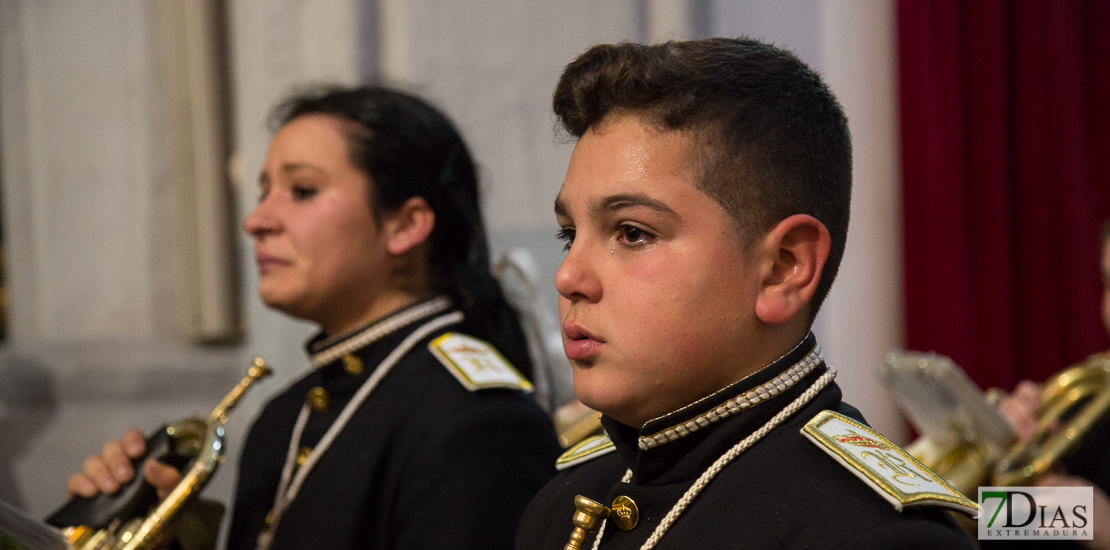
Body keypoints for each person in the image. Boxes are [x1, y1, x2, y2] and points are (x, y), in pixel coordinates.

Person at [515, 38, 978, 549]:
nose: (568, 277)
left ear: (784, 269)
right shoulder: (563, 500)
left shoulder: (875, 537)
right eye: (568, 234)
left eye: (632, 233)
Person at [65, 86, 561, 550]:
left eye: (302, 190)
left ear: (406, 225)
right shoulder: (284, 416)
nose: (256, 220)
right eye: (264, 192)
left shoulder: (479, 422)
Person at [989, 218, 1110, 550]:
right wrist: (999, 454)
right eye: (1109, 283)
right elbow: (996, 524)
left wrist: (1106, 530)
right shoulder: (1091, 403)